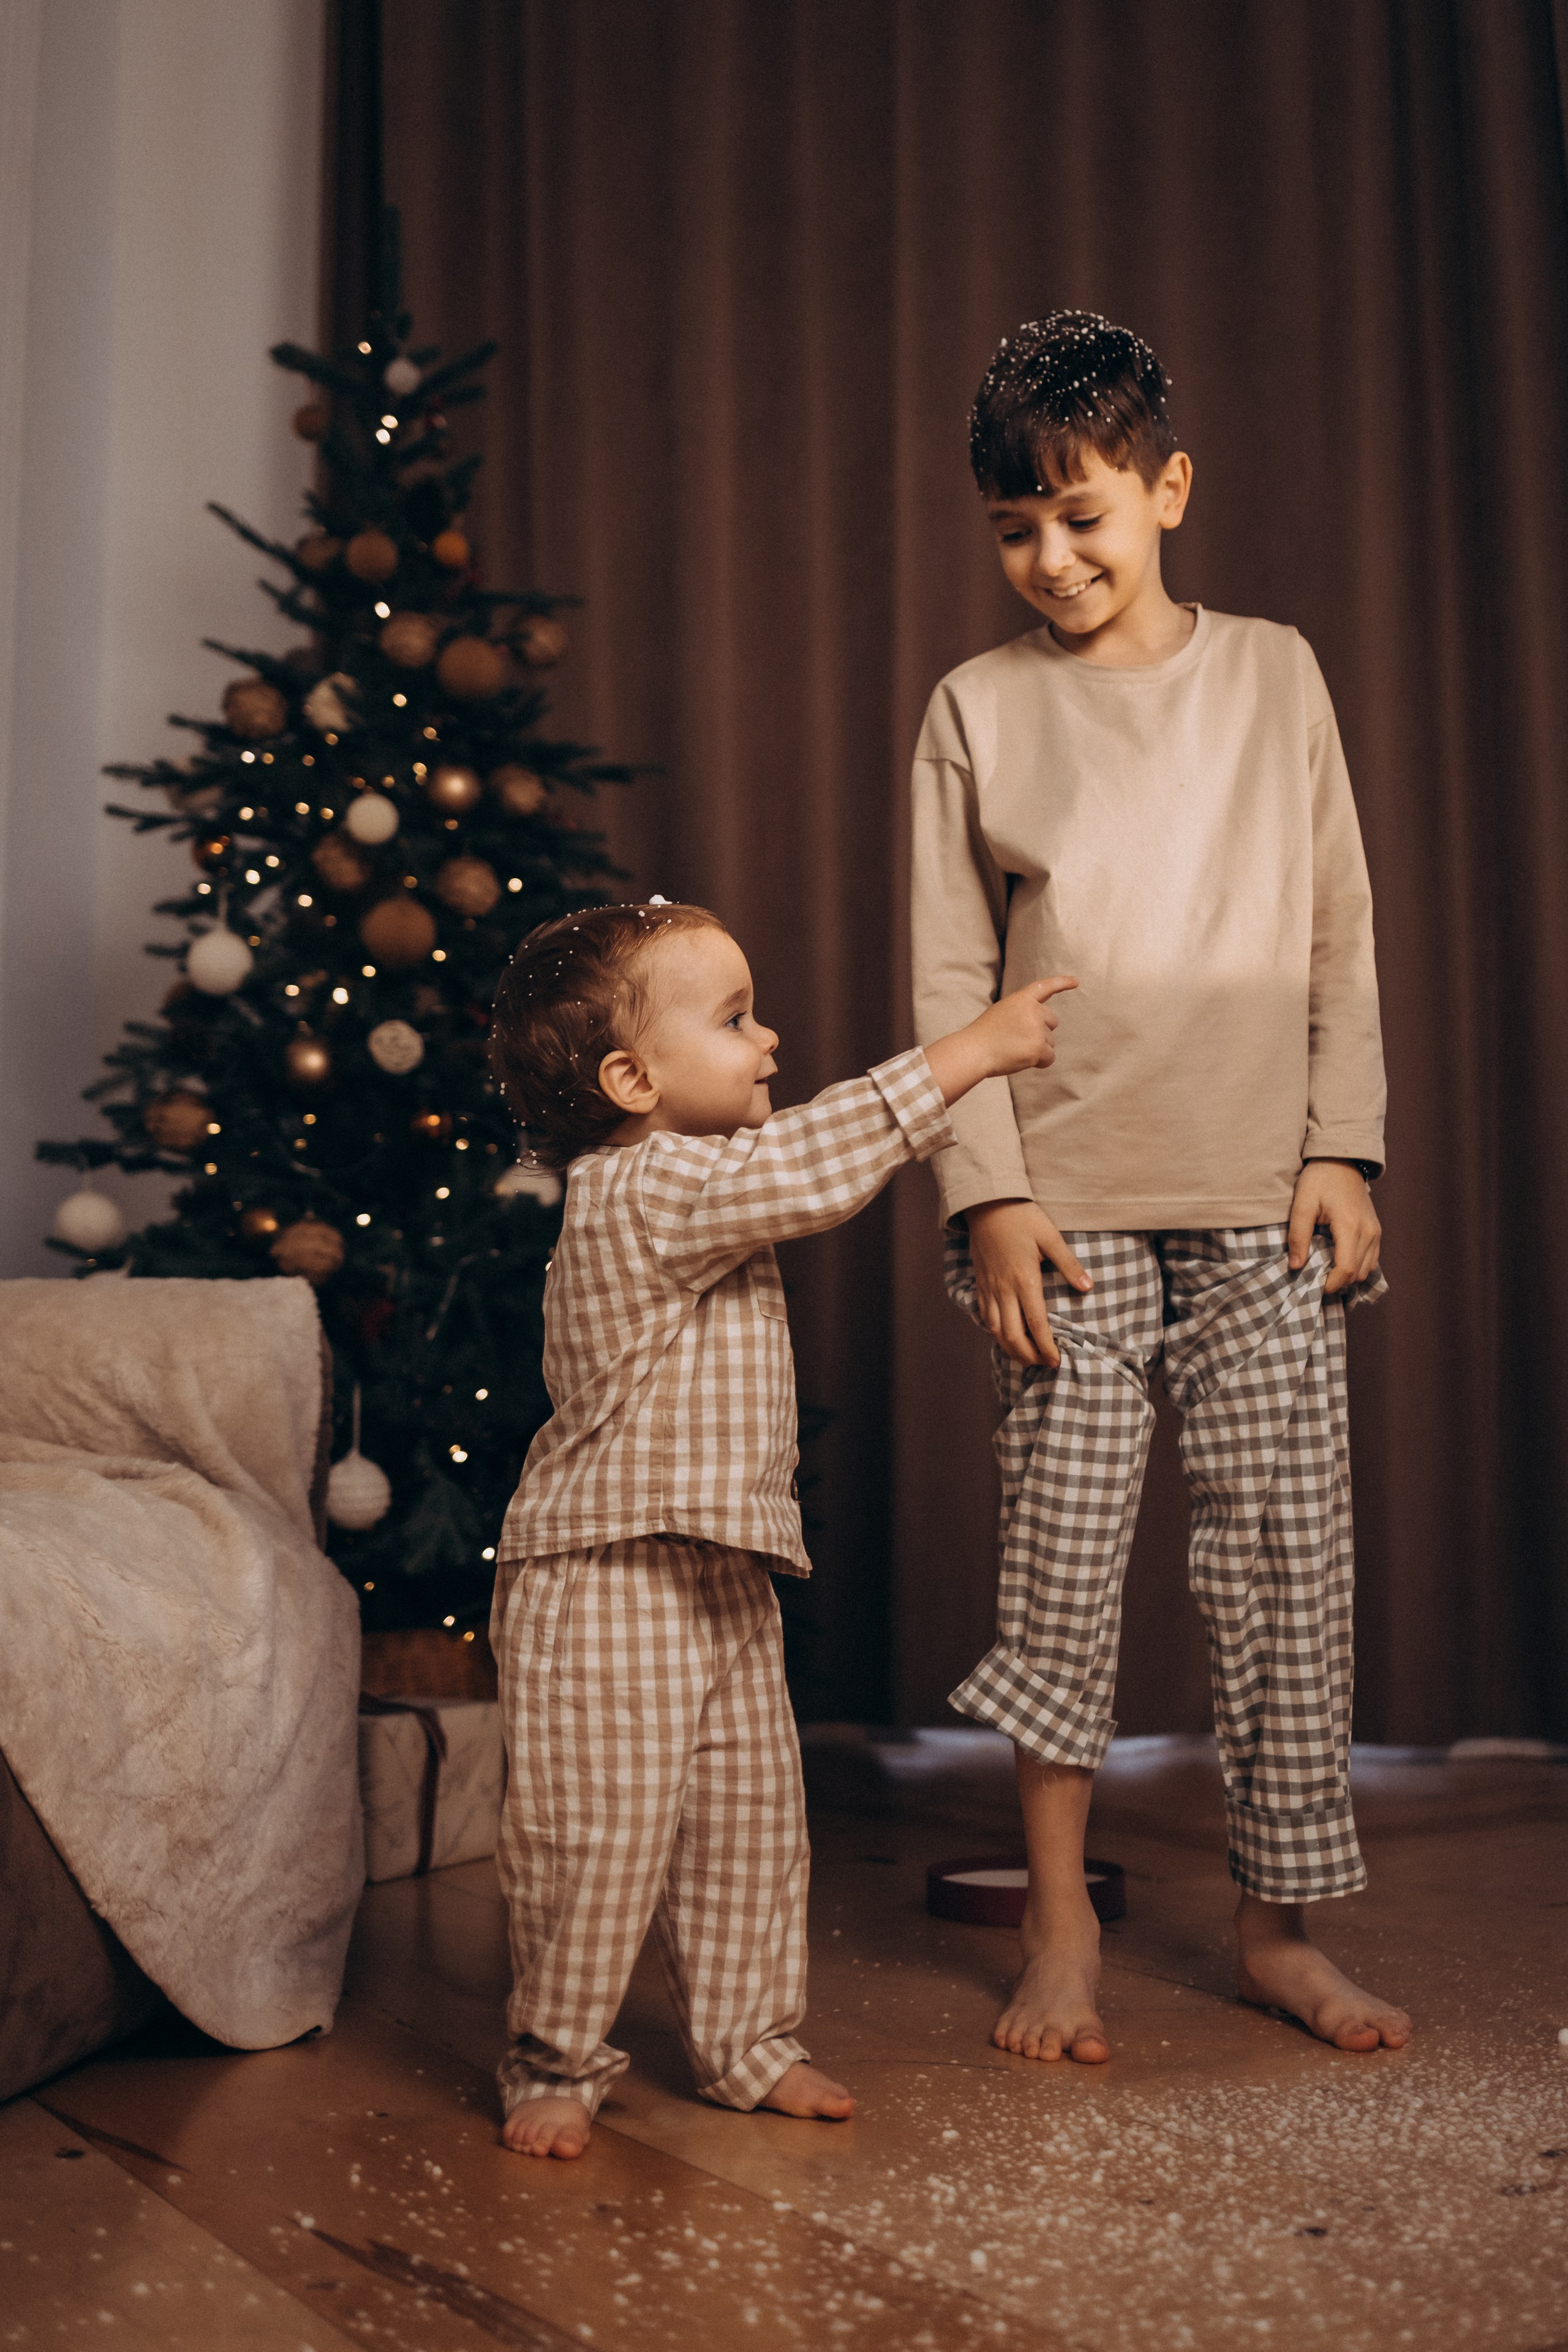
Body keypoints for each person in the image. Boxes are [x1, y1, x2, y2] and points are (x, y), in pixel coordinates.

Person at [910, 311, 1412, 2067]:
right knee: (1059, 1569)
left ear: (1168, 490)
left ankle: (1280, 1930)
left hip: (1264, 1199)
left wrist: (1342, 1141)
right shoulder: (975, 710)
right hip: (1064, 1209)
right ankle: (1061, 1923)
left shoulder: (1277, 674)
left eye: (1085, 516)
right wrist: (985, 1195)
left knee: (1284, 1566)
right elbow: (943, 976)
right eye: (1014, 529)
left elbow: (1341, 929)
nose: (1052, 557)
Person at [486, 897, 1074, 2157]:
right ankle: (553, 2058)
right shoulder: (642, 1186)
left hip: (715, 1572)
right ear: (631, 1078)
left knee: (749, 1827)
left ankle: (749, 2046)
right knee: (594, 1836)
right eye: (735, 1018)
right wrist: (965, 1054)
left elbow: (776, 1175)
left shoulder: (697, 1182)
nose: (767, 1039)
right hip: (603, 1580)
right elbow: (805, 1168)